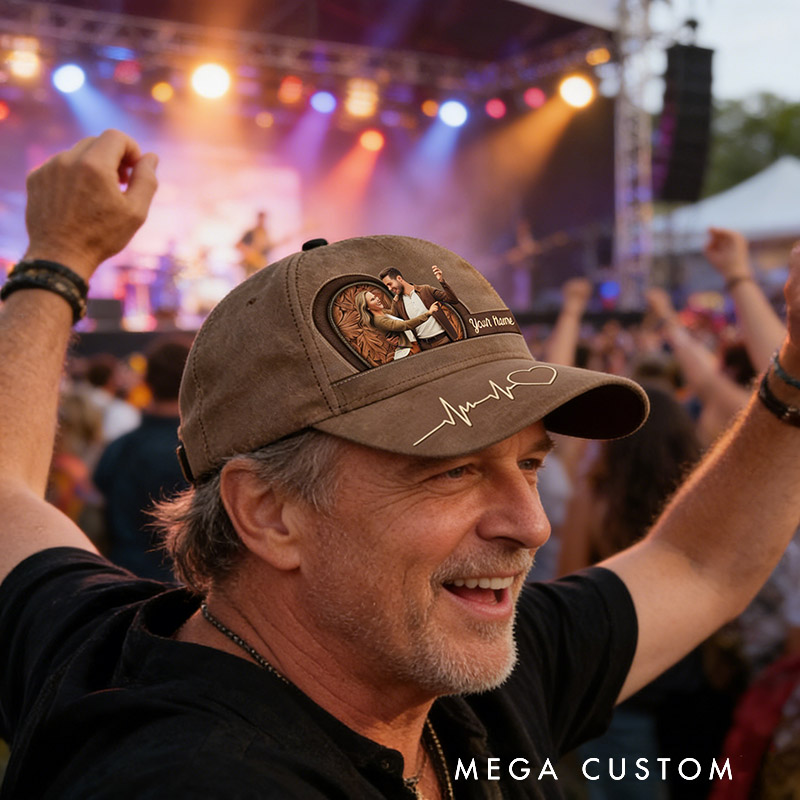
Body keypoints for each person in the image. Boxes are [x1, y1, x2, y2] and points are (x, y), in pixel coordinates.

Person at [3, 131, 800, 799]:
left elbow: (700, 563)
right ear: (269, 512)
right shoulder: (196, 776)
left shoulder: (438, 659)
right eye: (451, 470)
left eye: (528, 463)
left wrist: (57, 258)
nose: (532, 524)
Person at [93, 337, 191, 583]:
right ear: (192, 381)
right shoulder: (204, 453)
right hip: (186, 585)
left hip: (124, 581)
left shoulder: (119, 448)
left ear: (147, 382)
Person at [380, 264, 461, 349]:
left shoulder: (425, 290)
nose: (389, 288)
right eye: (387, 286)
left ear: (399, 278)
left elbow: (453, 300)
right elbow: (394, 323)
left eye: (390, 284)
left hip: (444, 340)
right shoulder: (397, 303)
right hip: (424, 346)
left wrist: (442, 281)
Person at [354, 288, 439, 360]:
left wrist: (395, 301)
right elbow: (405, 325)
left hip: (414, 346)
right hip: (408, 352)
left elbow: (394, 314)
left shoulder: (383, 313)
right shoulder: (379, 320)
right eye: (372, 299)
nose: (377, 299)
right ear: (367, 307)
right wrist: (428, 313)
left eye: (375, 297)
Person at [236, 210, 272, 277]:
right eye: (261, 218)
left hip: (260, 264)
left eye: (263, 218)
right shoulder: (251, 232)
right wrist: (248, 252)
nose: (262, 220)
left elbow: (267, 248)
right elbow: (238, 244)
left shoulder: (265, 233)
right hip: (251, 264)